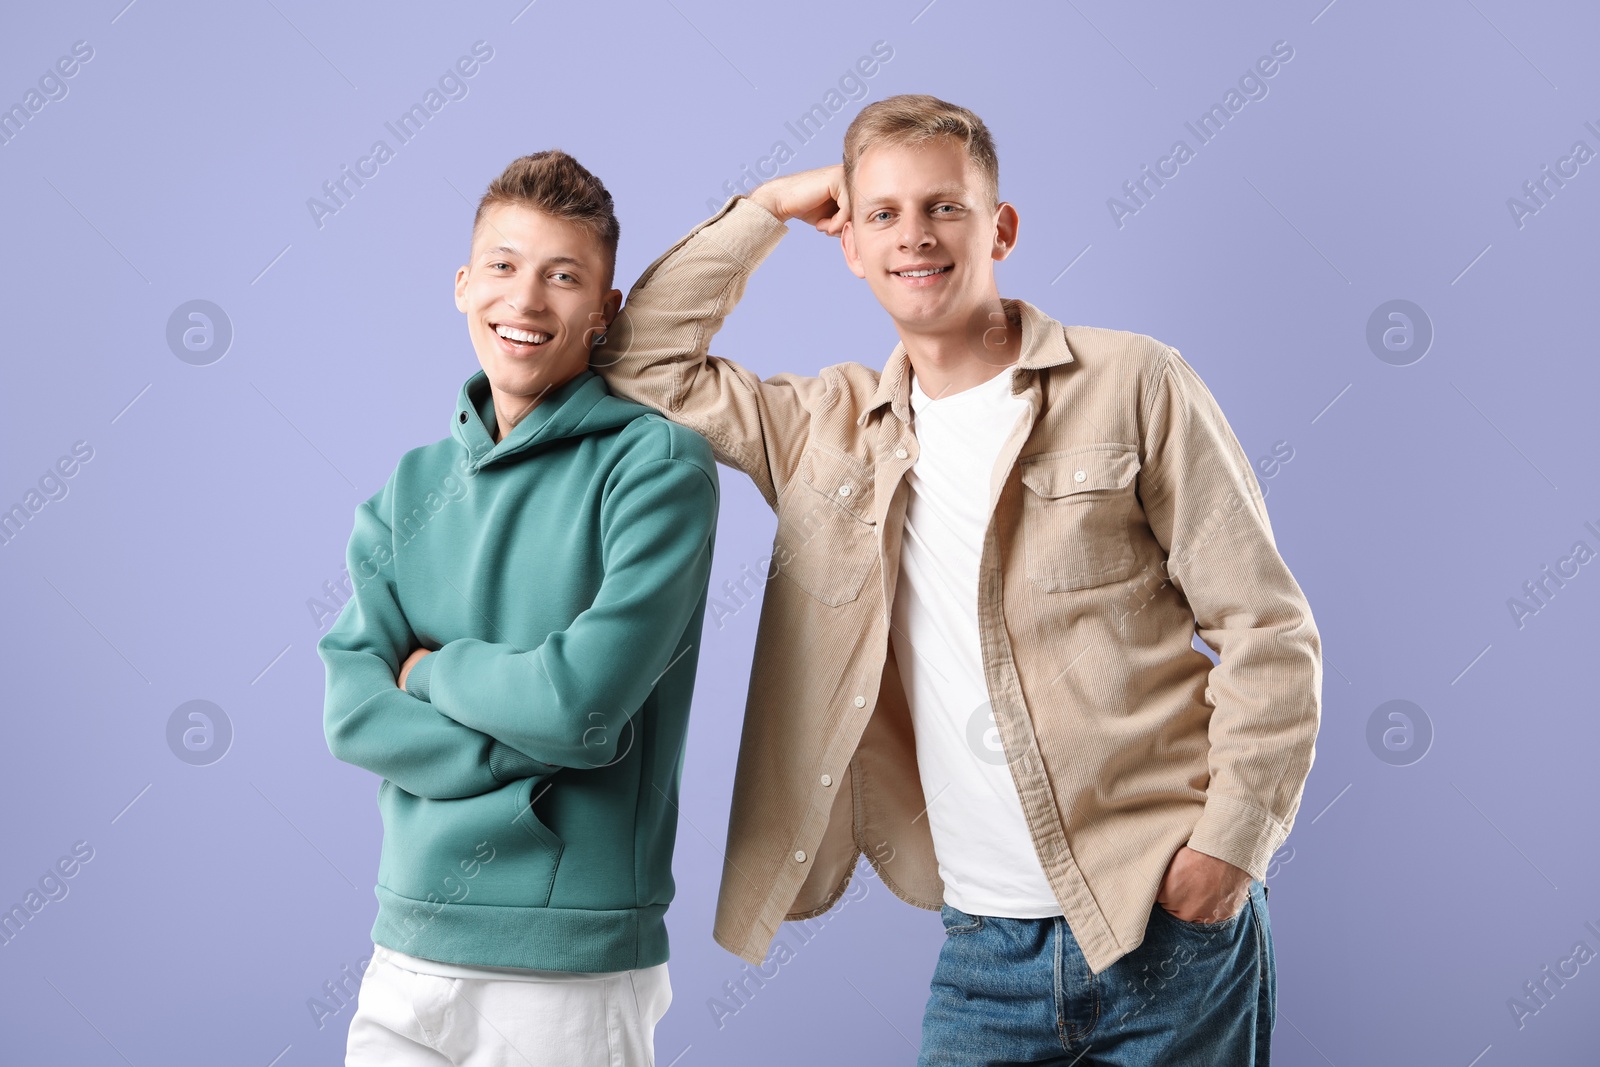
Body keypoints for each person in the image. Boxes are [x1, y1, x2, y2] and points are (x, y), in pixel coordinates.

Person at [591, 95, 1321, 1064]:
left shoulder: (1132, 381)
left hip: (1164, 925)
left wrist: (1228, 848)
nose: (913, 237)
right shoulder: (825, 427)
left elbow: (1267, 629)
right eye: (881, 214)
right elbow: (639, 363)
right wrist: (769, 205)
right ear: (847, 243)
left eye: (943, 206)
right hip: (981, 947)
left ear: (1000, 228)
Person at [317, 149, 719, 1066]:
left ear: (605, 311)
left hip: (566, 963)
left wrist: (429, 670)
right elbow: (350, 710)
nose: (527, 301)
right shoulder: (405, 490)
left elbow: (581, 707)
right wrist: (526, 740)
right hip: (405, 945)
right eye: (503, 266)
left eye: (564, 276)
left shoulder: (655, 469)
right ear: (463, 285)